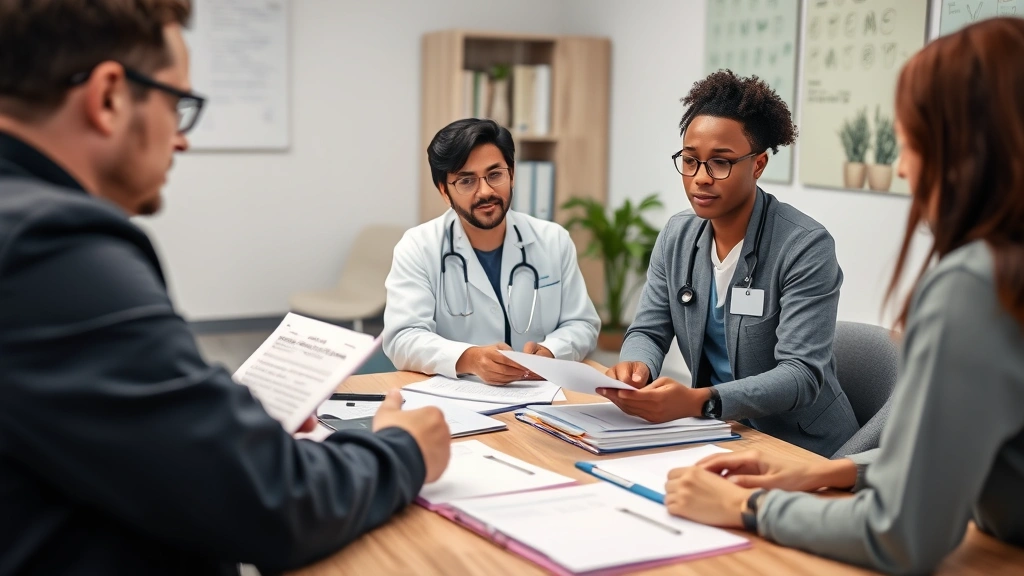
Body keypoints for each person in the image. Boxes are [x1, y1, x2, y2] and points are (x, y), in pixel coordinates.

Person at [0, 2, 450, 575]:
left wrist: (212, 414)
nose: (182, 141)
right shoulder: (52, 245)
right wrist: (401, 449)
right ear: (110, 96)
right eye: (179, 105)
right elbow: (273, 504)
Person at [663, 18, 1024, 575]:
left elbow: (900, 535)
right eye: (690, 159)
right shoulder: (1001, 273)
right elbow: (960, 456)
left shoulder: (973, 286)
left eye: (912, 143)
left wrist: (747, 505)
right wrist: (835, 472)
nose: (903, 167)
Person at [602, 71, 858, 457]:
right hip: (720, 434)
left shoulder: (804, 246)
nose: (700, 179)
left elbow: (801, 376)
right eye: (690, 161)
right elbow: (649, 331)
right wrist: (636, 367)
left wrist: (700, 401)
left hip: (801, 447)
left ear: (758, 165)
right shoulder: (677, 237)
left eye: (719, 163)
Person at [383, 118, 600, 384]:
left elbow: (582, 324)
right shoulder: (417, 247)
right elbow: (403, 338)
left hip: (542, 392)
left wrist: (551, 352)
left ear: (512, 175)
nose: (485, 192)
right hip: (458, 398)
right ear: (444, 191)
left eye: (495, 175)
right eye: (466, 181)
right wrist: (470, 358)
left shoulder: (553, 240)